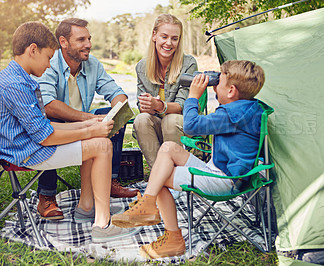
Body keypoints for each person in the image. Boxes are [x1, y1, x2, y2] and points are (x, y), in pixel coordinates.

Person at [112, 60, 266, 258]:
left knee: (160, 178)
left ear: (231, 91)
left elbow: (191, 126)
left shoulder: (231, 115)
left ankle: (174, 238)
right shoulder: (248, 108)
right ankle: (149, 204)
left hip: (224, 181)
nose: (215, 84)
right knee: (168, 148)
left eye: (220, 81)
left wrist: (193, 96)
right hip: (221, 171)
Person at [0, 21, 136, 243]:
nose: (48, 64)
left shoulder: (17, 78)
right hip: (26, 153)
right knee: (102, 145)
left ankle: (86, 207)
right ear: (33, 50)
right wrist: (89, 130)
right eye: (47, 57)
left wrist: (89, 126)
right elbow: (45, 136)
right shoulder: (15, 84)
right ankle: (103, 224)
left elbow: (44, 128)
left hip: (30, 145)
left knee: (97, 136)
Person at [35, 18, 138, 220]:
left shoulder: (92, 64)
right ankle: (46, 195)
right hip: (57, 122)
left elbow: (117, 93)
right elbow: (48, 104)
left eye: (89, 39)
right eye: (81, 39)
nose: (88, 44)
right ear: (63, 42)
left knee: (111, 115)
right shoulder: (49, 63)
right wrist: (89, 119)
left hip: (84, 121)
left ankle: (109, 181)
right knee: (47, 122)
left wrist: (114, 113)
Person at [134, 14, 198, 171]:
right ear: (154, 35)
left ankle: (175, 177)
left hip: (182, 126)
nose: (169, 43)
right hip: (158, 126)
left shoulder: (188, 63)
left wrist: (160, 106)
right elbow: (141, 105)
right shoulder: (142, 66)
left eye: (174, 38)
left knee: (169, 120)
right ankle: (161, 178)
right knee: (141, 119)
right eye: (164, 36)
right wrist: (146, 106)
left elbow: (183, 105)